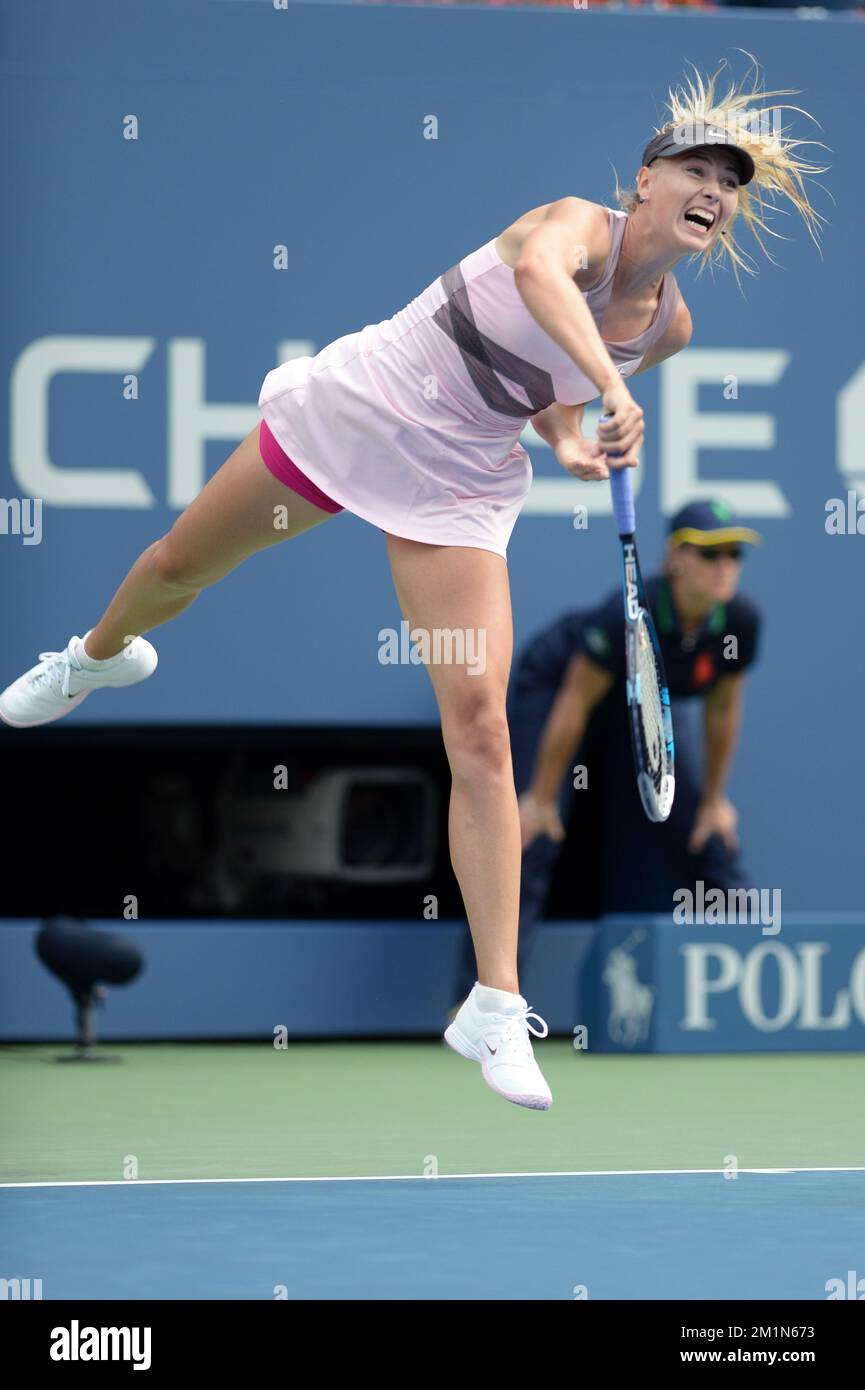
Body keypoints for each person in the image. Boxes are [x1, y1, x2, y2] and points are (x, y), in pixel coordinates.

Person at [0, 59, 823, 1110]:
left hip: (462, 477)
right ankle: (93, 656)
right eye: (696, 168)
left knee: (480, 727)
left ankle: (491, 999)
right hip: (370, 405)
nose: (714, 189)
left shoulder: (669, 327)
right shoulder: (574, 223)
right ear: (644, 182)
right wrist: (612, 392)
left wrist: (570, 438)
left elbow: (544, 390)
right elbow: (536, 289)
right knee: (177, 567)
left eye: (731, 181)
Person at [453, 499, 762, 1003]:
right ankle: (479, 1001)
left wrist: (715, 799)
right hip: (559, 688)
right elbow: (574, 703)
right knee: (531, 834)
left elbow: (723, 709)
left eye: (734, 554)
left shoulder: (740, 622)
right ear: (676, 558)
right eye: (711, 554)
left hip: (640, 700)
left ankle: (758, 974)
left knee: (703, 827)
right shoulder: (623, 615)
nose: (726, 566)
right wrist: (543, 797)